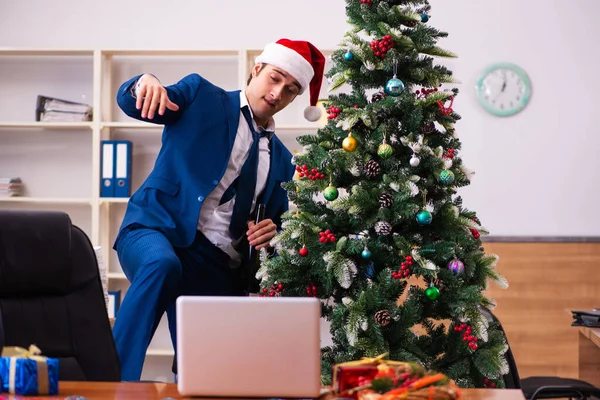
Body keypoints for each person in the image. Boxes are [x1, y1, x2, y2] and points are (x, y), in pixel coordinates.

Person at [111, 39, 326, 381]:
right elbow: (136, 103)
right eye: (275, 78)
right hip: (155, 230)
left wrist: (272, 234)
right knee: (161, 264)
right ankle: (108, 382)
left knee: (212, 374)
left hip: (216, 263)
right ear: (257, 69)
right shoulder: (202, 97)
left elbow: (279, 228)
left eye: (290, 89)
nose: (277, 93)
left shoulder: (285, 161)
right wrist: (144, 83)